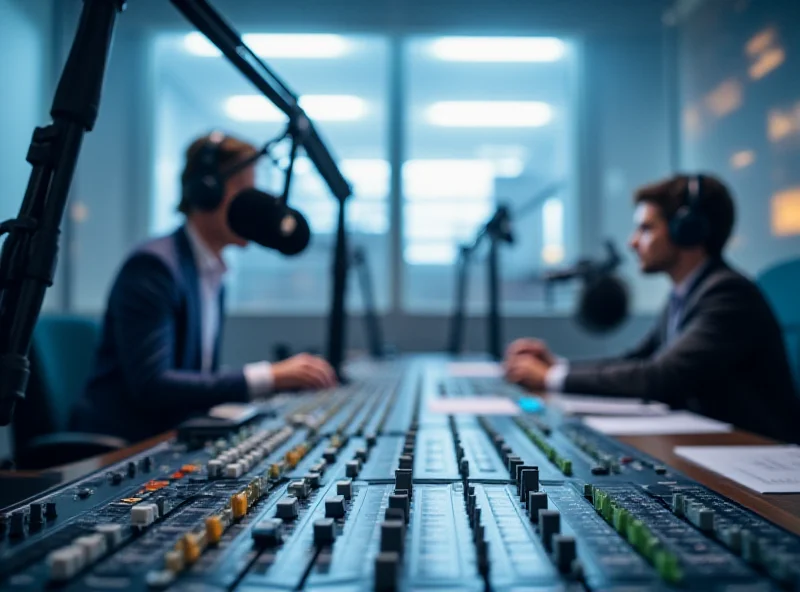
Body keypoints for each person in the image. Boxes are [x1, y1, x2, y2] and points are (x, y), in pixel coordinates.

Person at [71, 132, 337, 442]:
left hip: (172, 435)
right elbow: (154, 385)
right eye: (244, 191)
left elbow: (196, 377)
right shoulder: (154, 266)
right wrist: (270, 377)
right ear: (206, 191)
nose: (255, 205)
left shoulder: (212, 272)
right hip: (123, 448)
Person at [504, 173, 800, 443]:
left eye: (646, 228)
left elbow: (660, 377)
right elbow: (636, 359)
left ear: (688, 231)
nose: (633, 242)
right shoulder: (687, 293)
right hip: (713, 446)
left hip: (756, 456)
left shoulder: (727, 294)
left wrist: (549, 378)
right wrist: (558, 366)